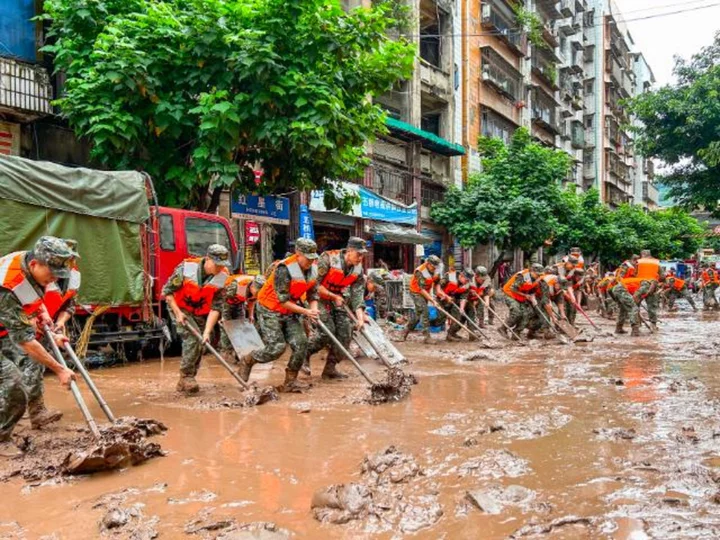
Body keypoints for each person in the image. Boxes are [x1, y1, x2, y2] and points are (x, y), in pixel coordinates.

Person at [0, 237, 77, 457]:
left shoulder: (26, 261)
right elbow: (25, 341)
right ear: (35, 264)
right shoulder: (7, 286)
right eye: (51, 274)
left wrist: (43, 316)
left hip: (4, 328)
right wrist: (60, 369)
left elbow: (29, 298)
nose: (54, 279)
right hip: (6, 327)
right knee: (14, 383)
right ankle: (1, 438)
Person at [237, 238, 320, 392]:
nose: (310, 261)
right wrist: (306, 312)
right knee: (276, 348)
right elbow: (283, 301)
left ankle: (290, 382)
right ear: (298, 254)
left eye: (312, 258)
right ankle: (248, 360)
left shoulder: (313, 269)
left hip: (291, 310)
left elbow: (313, 294)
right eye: (307, 258)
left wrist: (313, 310)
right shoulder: (284, 268)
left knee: (301, 343)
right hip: (270, 308)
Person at [163, 244, 231, 394]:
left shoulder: (223, 276)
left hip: (200, 312)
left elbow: (216, 308)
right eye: (217, 264)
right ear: (207, 259)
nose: (220, 268)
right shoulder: (186, 268)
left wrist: (207, 331)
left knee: (202, 342)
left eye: (223, 265)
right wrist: (178, 313)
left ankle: (188, 379)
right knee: (193, 339)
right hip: (179, 307)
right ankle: (186, 376)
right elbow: (167, 292)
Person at [305, 237, 367, 379]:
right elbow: (314, 286)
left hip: (337, 298)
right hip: (318, 297)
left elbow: (357, 295)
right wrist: (333, 297)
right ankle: (305, 354)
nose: (360, 258)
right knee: (327, 332)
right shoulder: (327, 259)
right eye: (359, 254)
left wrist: (360, 318)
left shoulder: (358, 268)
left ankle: (330, 369)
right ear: (349, 251)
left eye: (363, 255)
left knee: (346, 333)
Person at [219, 274, 265, 362]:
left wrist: (251, 315)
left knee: (241, 325)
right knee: (226, 326)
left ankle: (241, 352)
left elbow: (252, 300)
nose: (258, 293)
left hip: (239, 303)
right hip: (227, 302)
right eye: (257, 291)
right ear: (252, 286)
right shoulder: (236, 286)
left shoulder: (257, 291)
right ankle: (226, 352)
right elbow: (222, 299)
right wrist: (223, 317)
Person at [401, 255, 445, 344]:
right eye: (433, 267)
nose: (434, 269)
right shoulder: (420, 271)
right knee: (424, 311)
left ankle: (404, 332)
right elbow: (421, 289)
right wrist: (432, 300)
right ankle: (427, 337)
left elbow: (437, 283)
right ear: (428, 264)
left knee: (418, 314)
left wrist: (439, 292)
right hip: (416, 292)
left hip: (425, 291)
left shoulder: (436, 269)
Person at [501, 263, 543, 339]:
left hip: (521, 296)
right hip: (510, 294)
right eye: (537, 274)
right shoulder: (524, 276)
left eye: (539, 275)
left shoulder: (536, 278)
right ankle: (503, 328)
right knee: (517, 312)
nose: (538, 276)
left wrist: (532, 297)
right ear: (531, 271)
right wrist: (525, 295)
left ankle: (517, 332)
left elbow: (532, 289)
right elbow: (513, 289)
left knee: (528, 313)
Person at [438, 268, 473, 342]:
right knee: (439, 320)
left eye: (468, 281)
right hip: (441, 299)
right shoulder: (450, 277)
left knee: (458, 315)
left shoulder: (466, 285)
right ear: (461, 275)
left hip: (453, 300)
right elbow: (437, 287)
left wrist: (462, 308)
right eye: (466, 280)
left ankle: (451, 334)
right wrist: (445, 296)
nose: (466, 282)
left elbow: (464, 297)